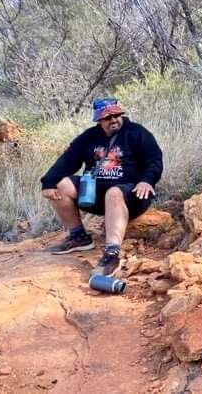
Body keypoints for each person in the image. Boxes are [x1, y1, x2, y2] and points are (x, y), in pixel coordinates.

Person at [41, 98, 163, 277]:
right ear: (99, 120)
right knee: (61, 185)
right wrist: (49, 182)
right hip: (96, 195)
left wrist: (147, 180)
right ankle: (78, 237)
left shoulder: (137, 133)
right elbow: (68, 160)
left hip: (133, 194)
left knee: (114, 193)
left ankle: (112, 253)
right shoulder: (89, 137)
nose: (114, 119)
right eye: (108, 117)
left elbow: (155, 160)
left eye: (117, 115)